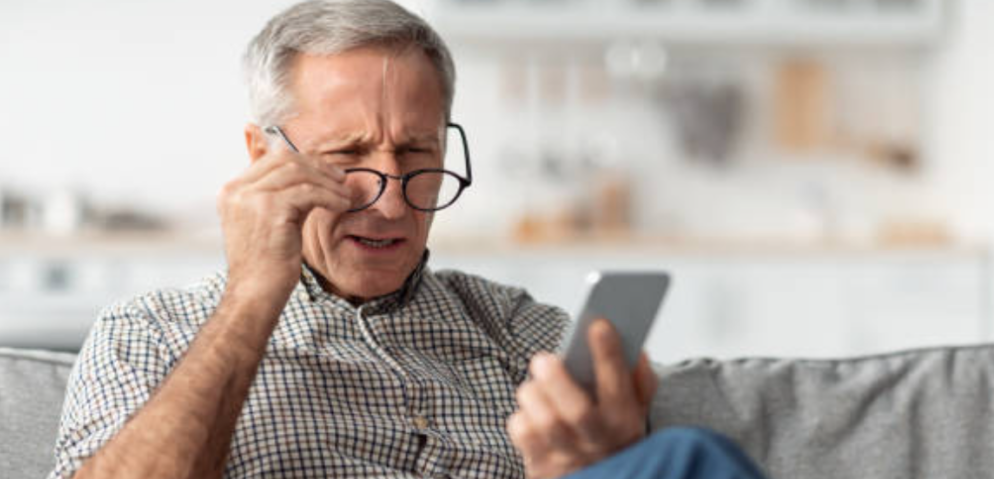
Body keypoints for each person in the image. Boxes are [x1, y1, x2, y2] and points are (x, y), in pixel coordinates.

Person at [48, 1, 768, 478]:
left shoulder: (521, 332)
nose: (390, 197)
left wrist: (602, 454)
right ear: (264, 158)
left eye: (416, 153)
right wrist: (249, 298)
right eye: (348, 155)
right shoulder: (148, 333)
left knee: (687, 457)